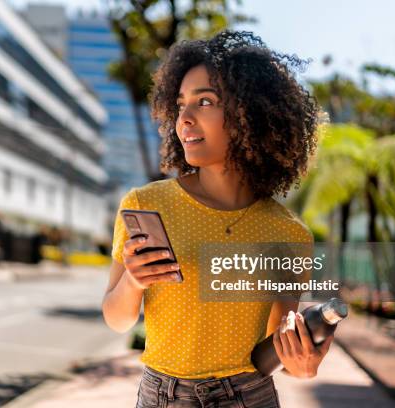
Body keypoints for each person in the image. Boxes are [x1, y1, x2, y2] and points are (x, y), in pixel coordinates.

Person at [102, 31, 332, 408]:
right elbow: (116, 319)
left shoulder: (288, 233)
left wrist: (303, 364)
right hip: (161, 396)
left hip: (247, 396)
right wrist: (132, 281)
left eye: (205, 101)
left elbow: (278, 346)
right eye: (180, 105)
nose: (185, 120)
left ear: (250, 114)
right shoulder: (146, 203)